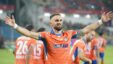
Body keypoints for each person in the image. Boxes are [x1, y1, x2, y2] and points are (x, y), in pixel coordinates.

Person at [4, 12, 113, 64]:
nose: (59, 22)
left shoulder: (69, 34)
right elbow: (29, 33)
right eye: (56, 20)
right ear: (51, 23)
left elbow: (86, 29)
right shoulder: (46, 36)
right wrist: (15, 26)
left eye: (60, 20)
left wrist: (101, 21)